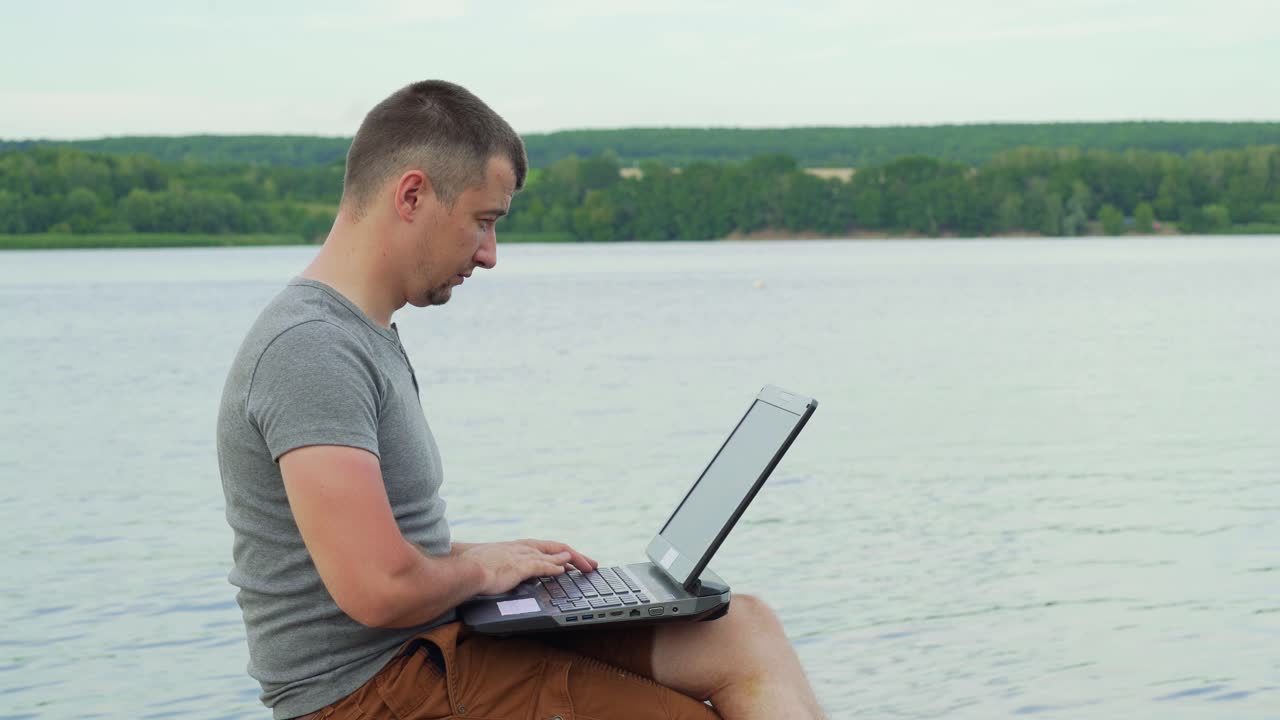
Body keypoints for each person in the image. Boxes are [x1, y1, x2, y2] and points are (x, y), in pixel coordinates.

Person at [216, 80, 825, 720]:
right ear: (413, 195)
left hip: (431, 648)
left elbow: (377, 554)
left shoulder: (357, 334)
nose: (489, 254)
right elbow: (378, 589)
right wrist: (482, 574)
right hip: (371, 692)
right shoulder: (310, 347)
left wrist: (491, 558)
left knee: (742, 630)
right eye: (483, 221)